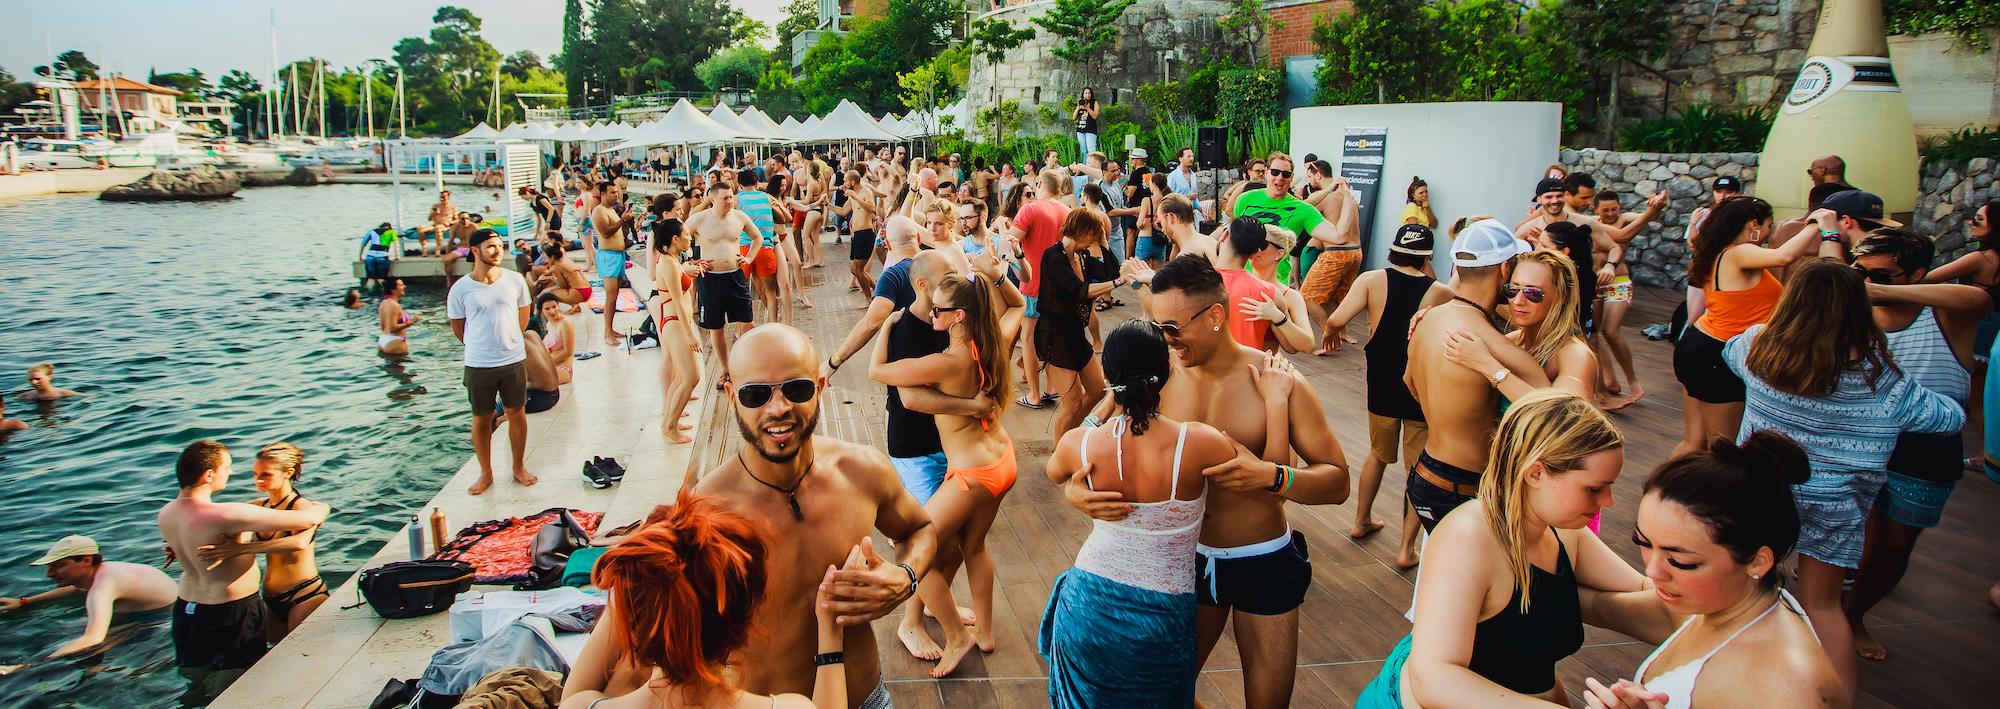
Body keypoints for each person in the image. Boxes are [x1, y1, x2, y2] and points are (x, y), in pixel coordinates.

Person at [1077, 254, 1350, 709]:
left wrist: (1274, 476)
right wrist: (1076, 491)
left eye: (1173, 328)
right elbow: (1100, 447)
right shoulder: (1157, 378)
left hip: (1262, 557)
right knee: (1162, 695)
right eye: (1157, 328)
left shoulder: (1277, 381)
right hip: (1183, 562)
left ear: (1216, 315)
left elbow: (1337, 481)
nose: (1165, 340)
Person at [1723, 259, 1964, 699]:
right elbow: (1947, 418)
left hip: (1761, 490)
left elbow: (1729, 351)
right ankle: (1839, 700)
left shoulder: (1758, 348)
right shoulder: (1882, 379)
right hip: (1836, 502)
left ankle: (1739, 685)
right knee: (1824, 604)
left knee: (1743, 591)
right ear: (1858, 308)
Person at [686, 324, 939, 706]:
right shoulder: (707, 510)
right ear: (731, 397)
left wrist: (905, 577)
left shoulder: (861, 470)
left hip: (865, 697)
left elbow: (920, 528)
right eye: (755, 394)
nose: (778, 408)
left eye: (796, 388)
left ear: (821, 387)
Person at [1357, 390, 1641, 708]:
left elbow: (1644, 591)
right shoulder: (1468, 539)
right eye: (1593, 489)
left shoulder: (1561, 531)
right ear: (1536, 474)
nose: (1607, 502)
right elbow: (1434, 678)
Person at [1038, 321, 1238, 708]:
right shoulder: (1200, 443)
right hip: (1162, 615)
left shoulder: (1081, 444)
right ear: (1165, 374)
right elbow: (1264, 476)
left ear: (1110, 378)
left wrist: (1101, 412)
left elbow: (1054, 472)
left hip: (1088, 603)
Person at [1578, 432, 1845, 709]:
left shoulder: (1789, 688)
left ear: (1757, 561)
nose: (1653, 570)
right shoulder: (1717, 605)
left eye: (1681, 561)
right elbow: (1595, 606)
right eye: (1644, 543)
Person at [868, 268, 1025, 676]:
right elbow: (1017, 306)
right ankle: (986, 633)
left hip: (973, 473)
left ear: (958, 316)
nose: (931, 314)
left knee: (909, 549)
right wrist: (997, 274)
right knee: (973, 547)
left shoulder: (950, 360)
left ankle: (958, 636)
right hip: (1002, 460)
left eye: (939, 310)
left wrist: (886, 325)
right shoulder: (988, 345)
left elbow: (878, 371)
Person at [561, 494, 846, 709]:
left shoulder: (583, 705)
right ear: (746, 616)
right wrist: (830, 635)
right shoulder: (792, 707)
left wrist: (637, 597)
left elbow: (573, 694)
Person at [1404, 219, 1550, 530]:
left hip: (1426, 472)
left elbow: (1409, 382)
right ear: (1504, 270)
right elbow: (1549, 408)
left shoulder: (1427, 319)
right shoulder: (1486, 341)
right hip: (1465, 486)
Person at [1318, 224, 1447, 564]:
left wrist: (1332, 332)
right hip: (1421, 387)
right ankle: (1406, 549)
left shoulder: (1372, 280)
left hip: (1382, 383)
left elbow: (1336, 317)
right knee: (1417, 468)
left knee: (1377, 453)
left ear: (1393, 250)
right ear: (1428, 256)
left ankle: (1360, 521)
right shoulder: (1440, 292)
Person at [1672, 196, 1836, 459]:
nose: (1770, 234)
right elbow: (1786, 256)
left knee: (1694, 442)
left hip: (1700, 345)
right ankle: (1708, 499)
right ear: (1753, 225)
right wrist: (1819, 225)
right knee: (1723, 447)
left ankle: (1660, 494)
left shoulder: (1716, 251)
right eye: (1769, 227)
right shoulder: (1739, 252)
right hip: (1718, 352)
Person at [157, 441, 328, 693]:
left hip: (187, 611)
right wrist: (324, 506)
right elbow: (313, 517)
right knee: (239, 685)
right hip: (228, 612)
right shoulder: (225, 514)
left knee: (196, 682)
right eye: (227, 467)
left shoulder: (166, 512)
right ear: (209, 474)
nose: (232, 472)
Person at [191, 443, 327, 641]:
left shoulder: (302, 507)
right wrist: (182, 543)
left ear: (288, 473)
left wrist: (241, 549)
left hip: (305, 595)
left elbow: (299, 542)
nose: (258, 480)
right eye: (255, 474)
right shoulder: (256, 507)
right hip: (270, 598)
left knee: (298, 653)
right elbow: (224, 534)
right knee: (269, 660)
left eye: (266, 474)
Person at [447, 229, 539, 495]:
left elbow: (523, 317)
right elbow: (458, 327)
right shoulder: (461, 289)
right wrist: (480, 345)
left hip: (512, 359)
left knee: (516, 414)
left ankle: (518, 467)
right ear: (475, 251)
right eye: (490, 246)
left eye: (500, 246)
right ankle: (486, 472)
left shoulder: (514, 280)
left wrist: (508, 341)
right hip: (478, 363)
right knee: (481, 418)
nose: (497, 251)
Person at [0, 535, 175, 671]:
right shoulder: (105, 571)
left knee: (77, 645)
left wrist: (27, 667)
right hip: (165, 605)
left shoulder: (103, 587)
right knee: (66, 631)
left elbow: (93, 638)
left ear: (86, 560)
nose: (50, 574)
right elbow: (77, 588)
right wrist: (24, 602)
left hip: (159, 618)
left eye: (59, 565)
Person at [1448, 249, 1601, 402]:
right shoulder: (1511, 341)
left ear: (1561, 297)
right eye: (1513, 290)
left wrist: (1489, 367)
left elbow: (1562, 415)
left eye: (1532, 293)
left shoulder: (1575, 356)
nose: (1518, 301)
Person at [1036, 209, 1124, 434]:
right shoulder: (1053, 256)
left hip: (1075, 332)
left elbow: (1110, 272)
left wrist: (1103, 243)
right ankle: (1059, 454)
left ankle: (1071, 435)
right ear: (1083, 231)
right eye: (1093, 234)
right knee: (1072, 402)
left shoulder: (1081, 256)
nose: (1094, 240)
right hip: (1055, 334)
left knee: (1098, 389)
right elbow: (1078, 291)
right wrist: (1116, 283)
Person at [1588, 189, 1667, 408]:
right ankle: (1608, 381)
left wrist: (1656, 207)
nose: (1611, 213)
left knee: (1610, 331)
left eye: (1615, 208)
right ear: (1596, 209)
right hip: (1595, 284)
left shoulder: (1625, 220)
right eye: (1606, 210)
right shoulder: (1591, 223)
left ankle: (1632, 380)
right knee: (1592, 333)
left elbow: (1650, 217)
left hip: (1617, 281)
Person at [1010, 171, 1074, 409]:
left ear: (1039, 185)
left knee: (1028, 339)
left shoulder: (1030, 209)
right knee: (1051, 338)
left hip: (1033, 285)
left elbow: (1012, 241)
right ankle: (1051, 386)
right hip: (1059, 287)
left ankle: (1035, 395)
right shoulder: (1067, 212)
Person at [688, 183, 764, 383]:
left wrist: (749, 258)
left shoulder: (739, 217)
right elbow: (678, 242)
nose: (730, 201)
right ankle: (726, 370)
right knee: (716, 327)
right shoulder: (699, 219)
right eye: (725, 198)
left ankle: (753, 365)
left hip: (735, 276)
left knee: (747, 323)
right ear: (713, 199)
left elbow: (758, 238)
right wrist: (690, 261)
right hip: (711, 280)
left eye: (731, 197)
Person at [651, 205, 701, 443]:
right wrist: (690, 333)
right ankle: (670, 427)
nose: (690, 238)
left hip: (673, 324)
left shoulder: (670, 260)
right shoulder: (668, 264)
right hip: (675, 324)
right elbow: (679, 303)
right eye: (687, 235)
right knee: (692, 377)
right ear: (675, 239)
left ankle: (669, 421)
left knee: (681, 378)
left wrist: (689, 270)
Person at [592, 181, 633, 347]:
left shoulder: (611, 210)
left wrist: (627, 220)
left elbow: (620, 231)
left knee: (615, 296)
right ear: (603, 194)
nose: (616, 195)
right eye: (612, 192)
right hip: (608, 257)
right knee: (610, 297)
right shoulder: (599, 211)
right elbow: (606, 233)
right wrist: (622, 220)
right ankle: (607, 333)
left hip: (618, 255)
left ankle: (611, 329)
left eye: (617, 192)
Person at [831, 170, 883, 295]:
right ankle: (877, 290)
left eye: (845, 181)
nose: (843, 183)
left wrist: (856, 197)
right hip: (857, 235)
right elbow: (844, 211)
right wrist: (827, 205)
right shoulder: (851, 195)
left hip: (866, 233)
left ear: (852, 182)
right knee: (855, 269)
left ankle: (869, 298)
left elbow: (872, 208)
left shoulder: (865, 192)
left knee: (858, 269)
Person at [536, 293, 578, 386]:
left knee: (534, 380)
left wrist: (545, 362)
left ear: (558, 305)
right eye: (547, 309)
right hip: (549, 365)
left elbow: (568, 352)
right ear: (542, 311)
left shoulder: (565, 324)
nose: (552, 311)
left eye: (554, 306)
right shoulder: (549, 325)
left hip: (563, 369)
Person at [376, 278, 417, 356]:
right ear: (393, 289)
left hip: (383, 339)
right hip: (394, 341)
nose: (404, 286)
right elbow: (392, 328)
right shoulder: (394, 305)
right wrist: (411, 322)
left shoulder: (383, 303)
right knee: (399, 366)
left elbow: (383, 326)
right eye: (401, 285)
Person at [416, 190, 458, 256]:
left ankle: (438, 249)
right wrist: (434, 213)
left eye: (444, 197)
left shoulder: (452, 208)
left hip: (446, 226)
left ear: (448, 197)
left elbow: (457, 220)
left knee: (438, 228)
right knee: (420, 228)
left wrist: (450, 223)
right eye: (441, 197)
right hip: (435, 225)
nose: (442, 199)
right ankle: (424, 249)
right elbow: (429, 219)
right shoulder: (435, 206)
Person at [359, 222, 395, 292]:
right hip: (382, 257)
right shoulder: (391, 232)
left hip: (370, 257)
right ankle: (385, 293)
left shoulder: (372, 232)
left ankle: (368, 294)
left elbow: (363, 244)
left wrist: (360, 257)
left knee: (370, 278)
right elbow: (396, 244)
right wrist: (397, 256)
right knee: (382, 278)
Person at [1073, 87, 1100, 156]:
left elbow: (1095, 116)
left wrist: (1087, 108)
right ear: (1083, 94)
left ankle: (1092, 166)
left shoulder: (1094, 102)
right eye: (1086, 93)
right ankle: (1084, 166)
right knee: (1083, 151)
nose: (1088, 95)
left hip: (1090, 130)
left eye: (1089, 93)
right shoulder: (1081, 103)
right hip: (1080, 130)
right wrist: (1078, 107)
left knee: (1091, 150)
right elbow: (1073, 118)